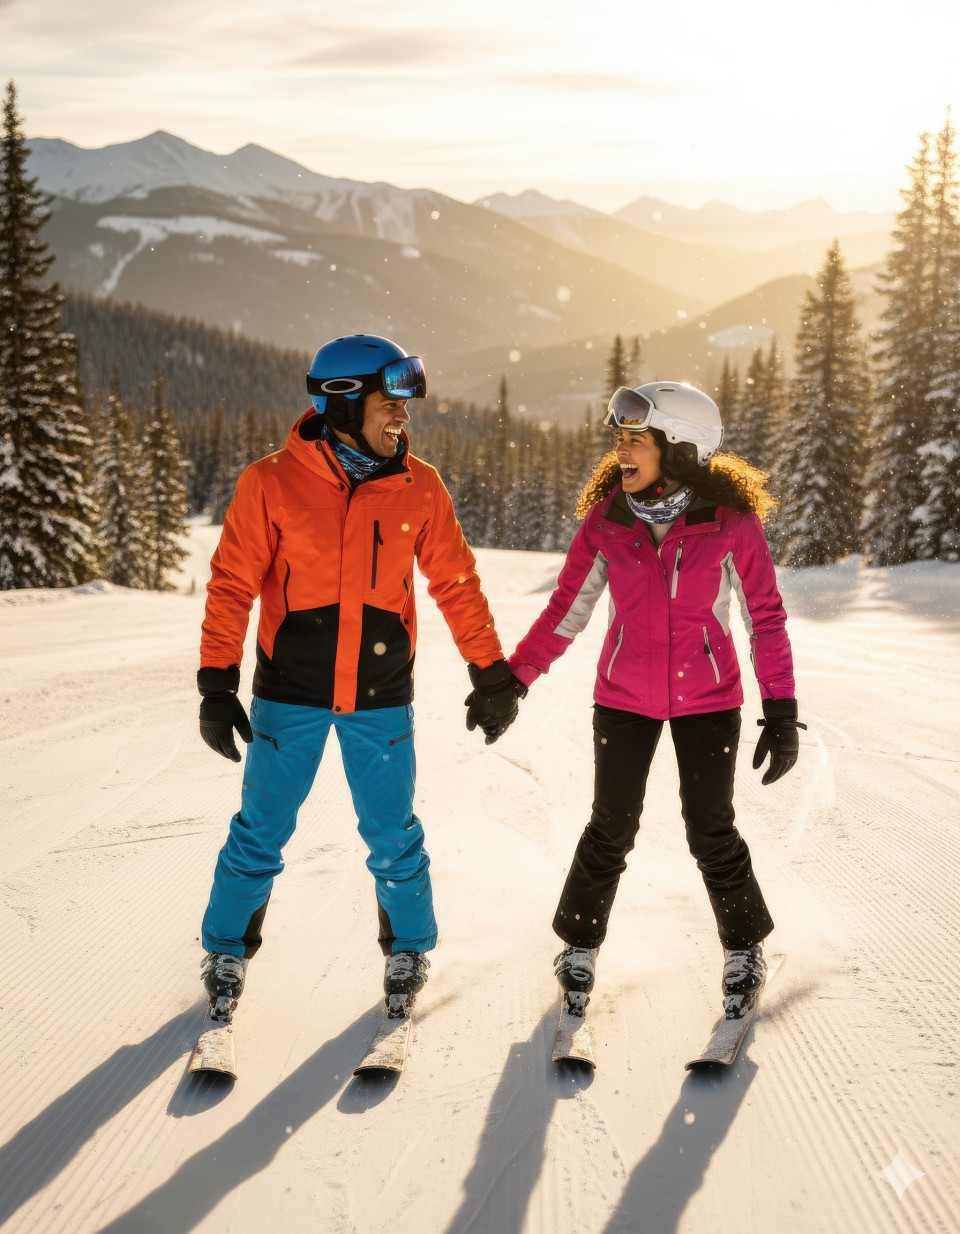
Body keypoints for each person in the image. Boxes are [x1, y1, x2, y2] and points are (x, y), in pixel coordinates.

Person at [196, 334, 523, 1023]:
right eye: (390, 399)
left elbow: (455, 581)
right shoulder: (271, 482)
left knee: (392, 833)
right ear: (342, 402)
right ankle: (226, 948)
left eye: (406, 401)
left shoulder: (419, 485)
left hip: (379, 695)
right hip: (290, 693)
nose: (403, 414)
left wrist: (491, 672)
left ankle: (408, 949)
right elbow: (232, 584)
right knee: (259, 830)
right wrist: (217, 682)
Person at [507, 381, 804, 1018]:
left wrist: (779, 712)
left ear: (681, 449)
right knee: (610, 827)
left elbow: (765, 617)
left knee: (710, 830)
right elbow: (569, 609)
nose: (621, 452)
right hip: (623, 695)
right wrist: (515, 679)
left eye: (635, 440)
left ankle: (745, 947)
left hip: (708, 699)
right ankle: (578, 946)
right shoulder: (609, 519)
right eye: (619, 439)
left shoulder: (729, 524)